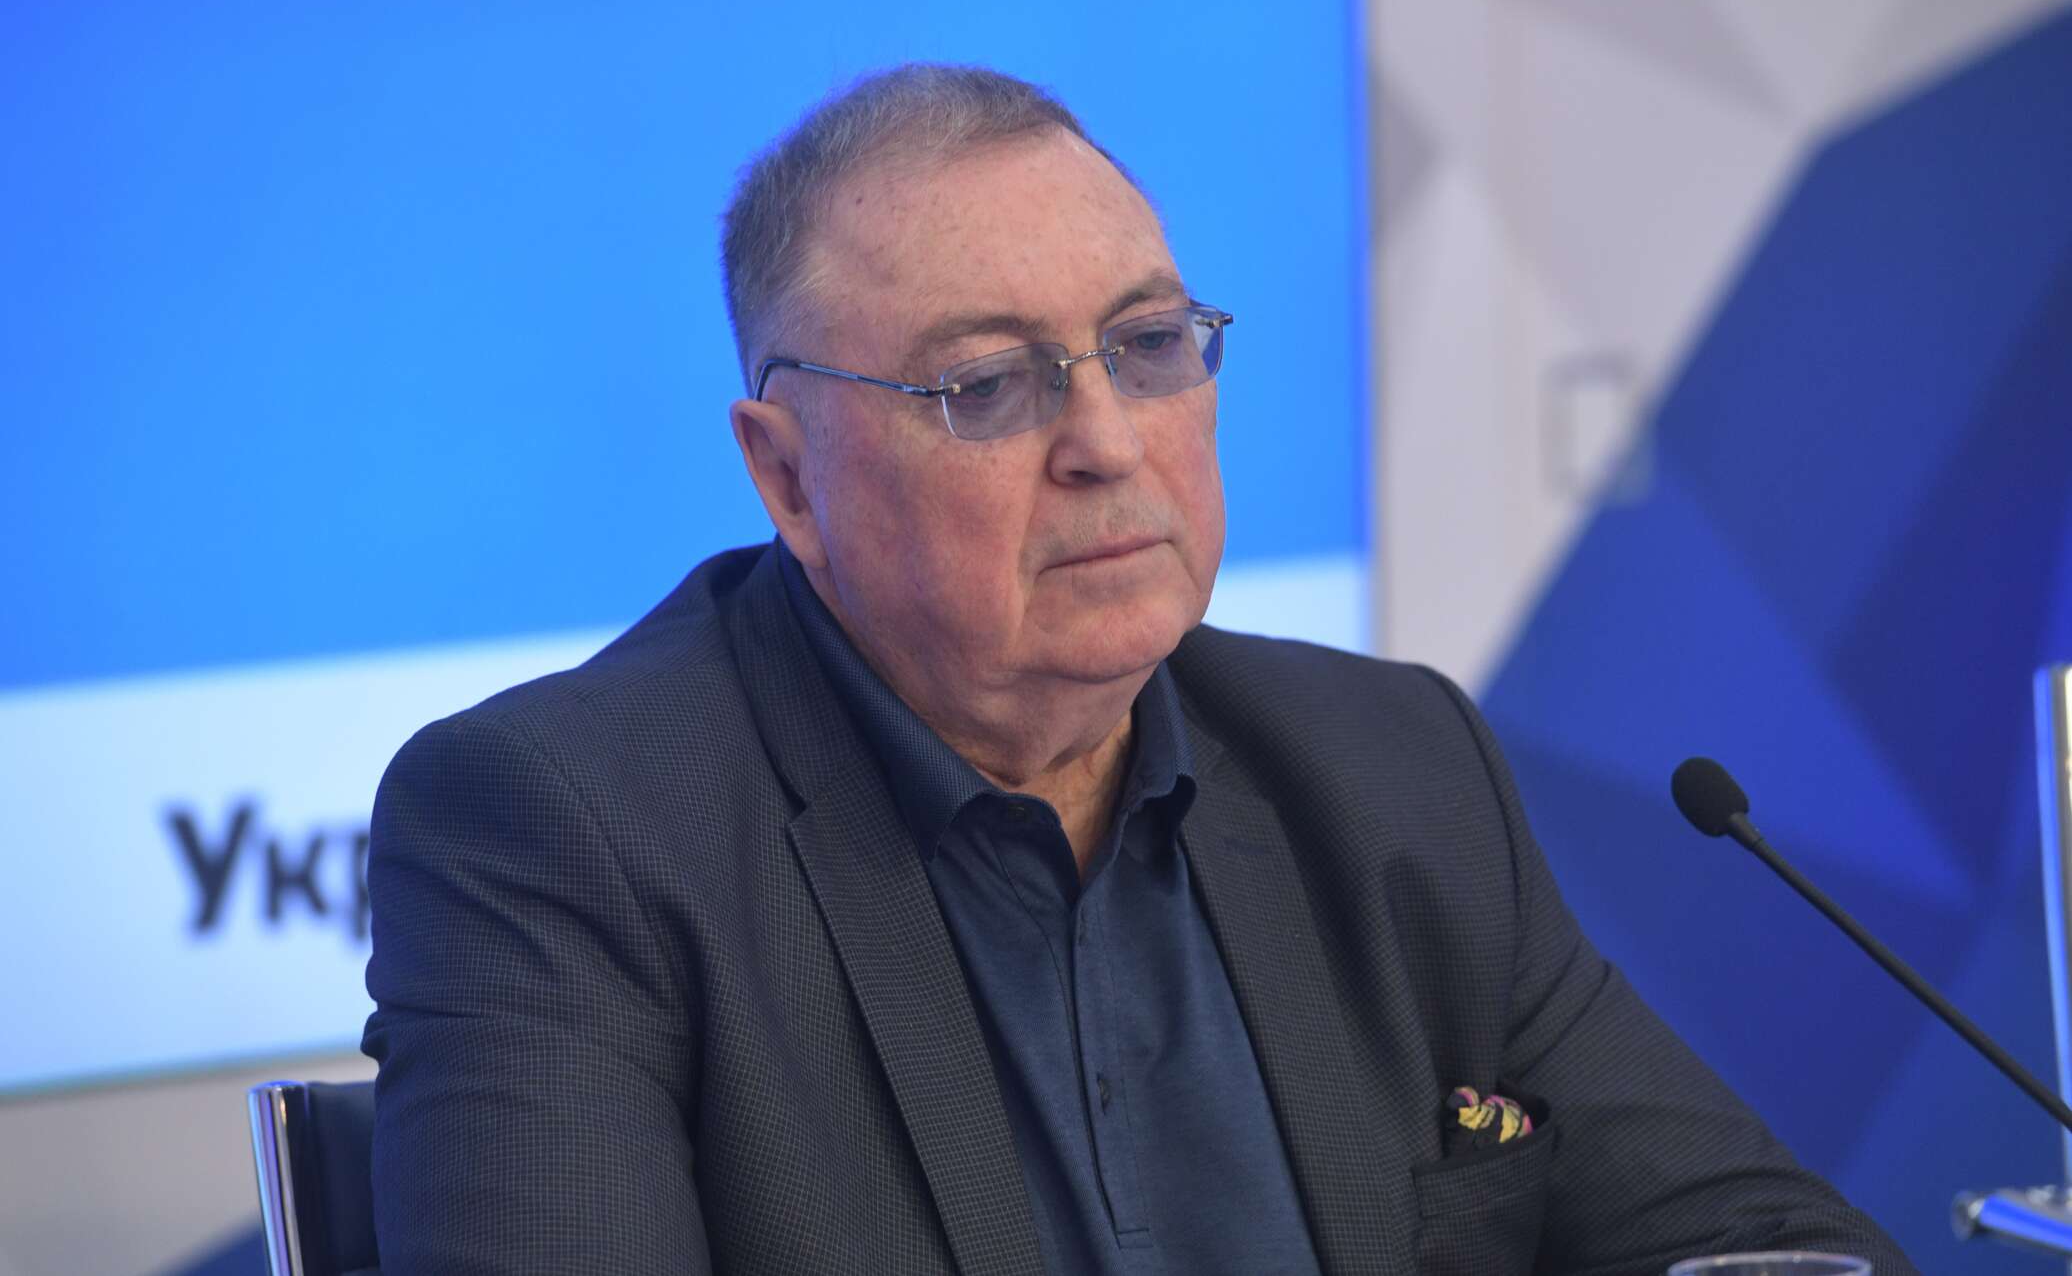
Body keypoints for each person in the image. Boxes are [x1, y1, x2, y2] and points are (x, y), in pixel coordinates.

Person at [361, 64, 1915, 1275]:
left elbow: (1769, 1242)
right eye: (987, 384)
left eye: (1150, 344)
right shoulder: (566, 830)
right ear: (789, 479)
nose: (1105, 441)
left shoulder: (1392, 766)